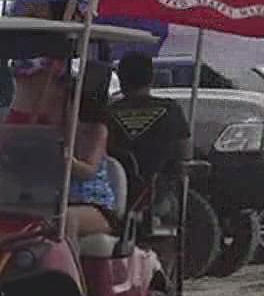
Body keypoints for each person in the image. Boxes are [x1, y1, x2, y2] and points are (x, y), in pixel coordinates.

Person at [105, 51, 191, 214]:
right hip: (158, 196)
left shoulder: (107, 113)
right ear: (151, 79)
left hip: (112, 193)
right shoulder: (171, 109)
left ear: (121, 80)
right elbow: (185, 153)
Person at [65, 75, 116, 241]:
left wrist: (66, 161)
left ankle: (68, 267)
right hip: (59, 202)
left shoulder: (96, 130)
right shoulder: (52, 132)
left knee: (67, 220)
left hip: (95, 204)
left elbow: (88, 171)